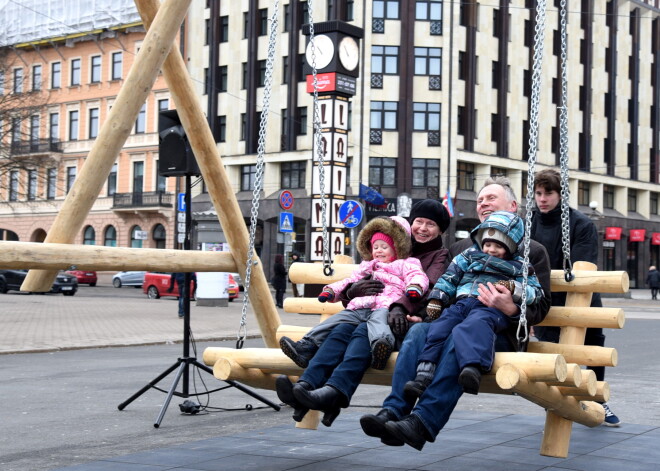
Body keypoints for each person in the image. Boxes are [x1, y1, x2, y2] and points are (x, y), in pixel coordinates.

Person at [360, 176, 552, 451]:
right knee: (418, 332)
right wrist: (425, 314)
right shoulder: (462, 248)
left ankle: (423, 421)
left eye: (491, 198)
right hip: (455, 318)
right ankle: (393, 412)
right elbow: (445, 286)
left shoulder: (532, 251)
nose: (484, 203)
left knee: (457, 339)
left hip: (496, 329)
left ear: (512, 206)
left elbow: (542, 306)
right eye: (480, 200)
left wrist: (510, 307)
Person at [275, 199, 452, 426]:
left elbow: (430, 286)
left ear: (440, 231)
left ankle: (334, 392)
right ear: (410, 223)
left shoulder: (437, 256)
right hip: (371, 311)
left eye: (431, 225)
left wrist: (399, 307)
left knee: (360, 331)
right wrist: (351, 291)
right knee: (341, 330)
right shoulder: (389, 247)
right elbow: (360, 280)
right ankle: (306, 385)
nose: (423, 229)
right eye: (419, 222)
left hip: (399, 321)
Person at [404, 211, 544, 401]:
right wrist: (438, 299)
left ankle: (472, 368)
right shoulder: (469, 255)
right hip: (463, 303)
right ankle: (424, 372)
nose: (491, 250)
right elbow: (449, 277)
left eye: (498, 246)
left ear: (511, 246)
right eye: (487, 244)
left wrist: (514, 288)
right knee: (440, 326)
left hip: (490, 308)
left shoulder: (519, 266)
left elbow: (536, 292)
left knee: (476, 325)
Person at [530, 168, 620, 427]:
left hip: (583, 300)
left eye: (548, 193)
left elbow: (583, 267)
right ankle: (557, 404)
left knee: (592, 350)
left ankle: (597, 400)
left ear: (560, 194)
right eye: (538, 193)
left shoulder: (580, 224)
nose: (542, 199)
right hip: (545, 301)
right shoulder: (530, 223)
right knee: (552, 355)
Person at [279, 216, 429, 371]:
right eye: (375, 247)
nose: (378, 250)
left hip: (384, 306)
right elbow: (350, 281)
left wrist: (414, 287)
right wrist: (331, 291)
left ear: (397, 247)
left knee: (379, 324)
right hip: (359, 307)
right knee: (335, 320)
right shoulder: (367, 266)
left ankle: (381, 347)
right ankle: (306, 346)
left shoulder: (405, 264)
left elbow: (416, 275)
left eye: (384, 247)